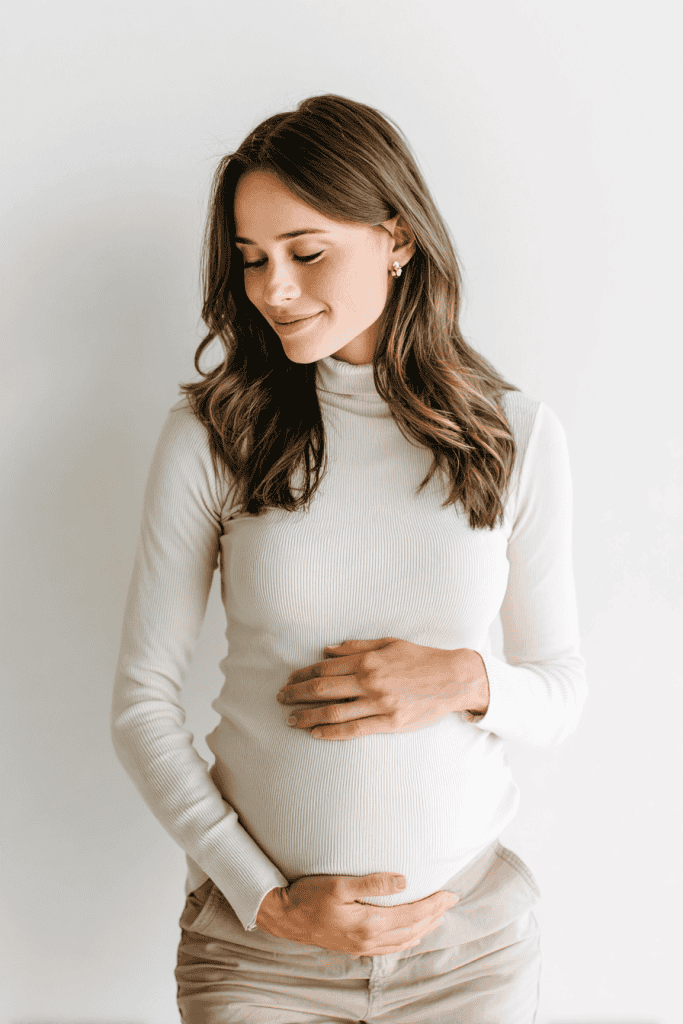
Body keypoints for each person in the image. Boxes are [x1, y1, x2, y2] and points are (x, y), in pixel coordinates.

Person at [111, 93, 587, 1024]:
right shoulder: (214, 436)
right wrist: (266, 898)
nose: (273, 289)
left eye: (307, 251)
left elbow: (561, 693)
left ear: (397, 238)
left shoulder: (513, 436)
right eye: (251, 260)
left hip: (469, 959)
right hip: (261, 960)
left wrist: (460, 679)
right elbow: (139, 703)